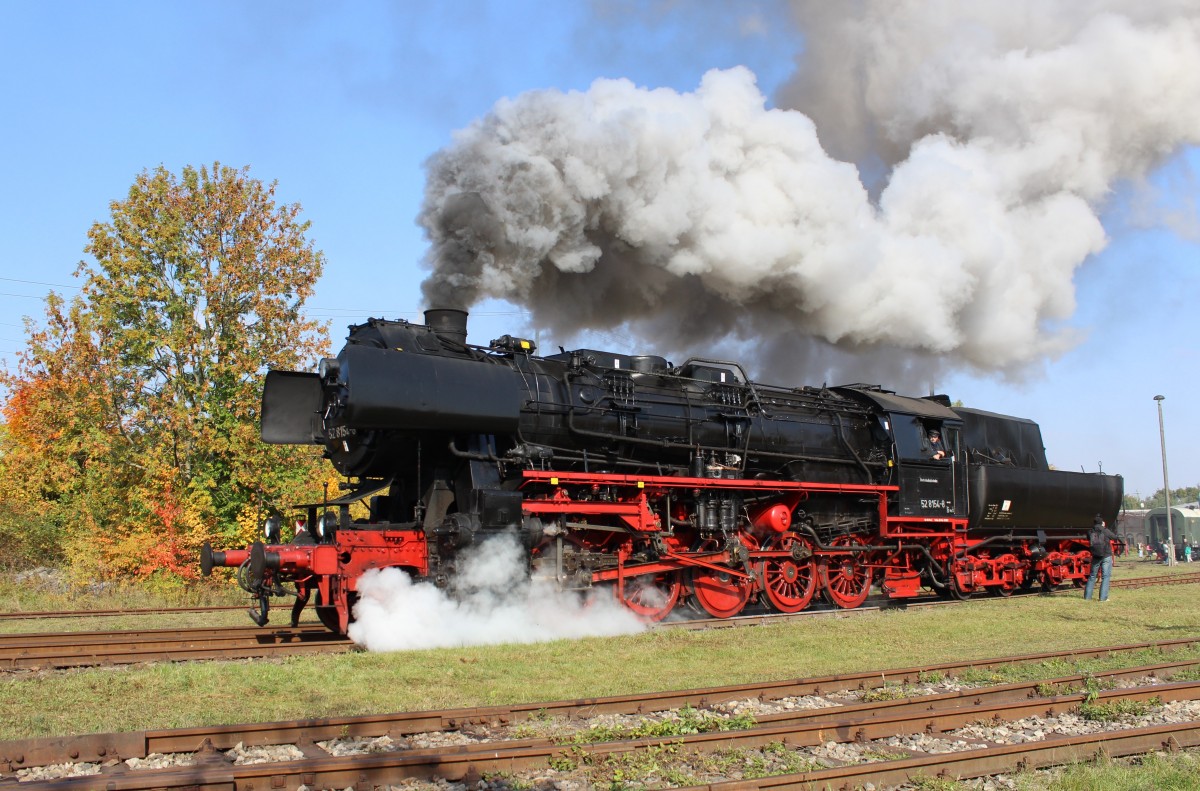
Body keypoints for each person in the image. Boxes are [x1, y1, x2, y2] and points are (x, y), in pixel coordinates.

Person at [1084, 515, 1119, 602]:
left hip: (1095, 556)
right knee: (1105, 576)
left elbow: (1088, 538)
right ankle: (1103, 598)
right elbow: (1114, 537)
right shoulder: (1104, 530)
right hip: (1106, 555)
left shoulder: (1090, 531)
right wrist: (1104, 527)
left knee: (1092, 576)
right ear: (1101, 522)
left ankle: (1087, 597)